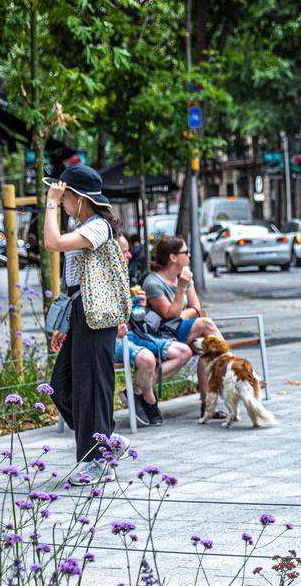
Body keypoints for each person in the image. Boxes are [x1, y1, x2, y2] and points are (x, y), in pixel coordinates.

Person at [43, 165, 126, 481]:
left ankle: (98, 459)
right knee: (61, 384)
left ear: (79, 197)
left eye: (65, 197)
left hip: (96, 315)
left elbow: (52, 243)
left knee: (91, 385)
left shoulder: (98, 227)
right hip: (79, 312)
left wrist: (51, 202)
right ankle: (106, 439)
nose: (62, 202)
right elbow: (72, 282)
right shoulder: (82, 224)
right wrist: (64, 322)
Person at [113, 235, 193, 426]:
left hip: (135, 332)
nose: (129, 255)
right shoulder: (102, 279)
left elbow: (129, 313)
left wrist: (139, 305)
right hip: (114, 336)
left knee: (184, 352)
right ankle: (149, 398)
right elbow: (171, 314)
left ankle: (136, 391)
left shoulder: (123, 275)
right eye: (124, 251)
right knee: (147, 359)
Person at [143, 236, 225, 418]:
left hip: (183, 329)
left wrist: (178, 313)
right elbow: (168, 316)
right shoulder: (153, 282)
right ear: (173, 257)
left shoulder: (186, 277)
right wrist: (180, 289)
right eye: (185, 252)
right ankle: (233, 364)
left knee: (208, 351)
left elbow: (196, 308)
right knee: (207, 323)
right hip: (165, 335)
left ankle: (208, 406)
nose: (189, 255)